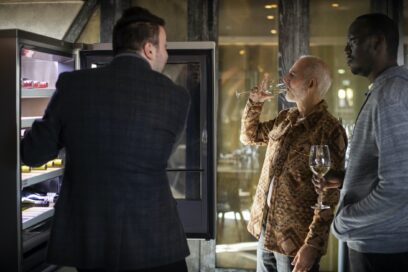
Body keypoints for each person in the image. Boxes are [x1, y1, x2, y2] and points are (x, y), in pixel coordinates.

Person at [21, 7, 190, 272]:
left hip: (92, 239)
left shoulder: (73, 85)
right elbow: (157, 152)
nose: (166, 54)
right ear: (149, 49)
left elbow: (32, 154)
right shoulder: (176, 97)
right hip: (155, 238)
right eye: (165, 46)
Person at [240, 55, 347, 272]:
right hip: (266, 230)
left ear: (310, 83)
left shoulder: (330, 129)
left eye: (292, 75)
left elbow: (329, 195)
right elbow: (249, 136)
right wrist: (255, 103)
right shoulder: (284, 118)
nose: (284, 78)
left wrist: (312, 244)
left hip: (296, 241)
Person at [330, 13, 408, 272]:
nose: (345, 50)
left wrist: (344, 221)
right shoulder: (387, 90)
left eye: (352, 41)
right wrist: (346, 178)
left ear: (377, 43)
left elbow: (399, 188)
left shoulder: (390, 96)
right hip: (381, 242)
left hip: (381, 248)